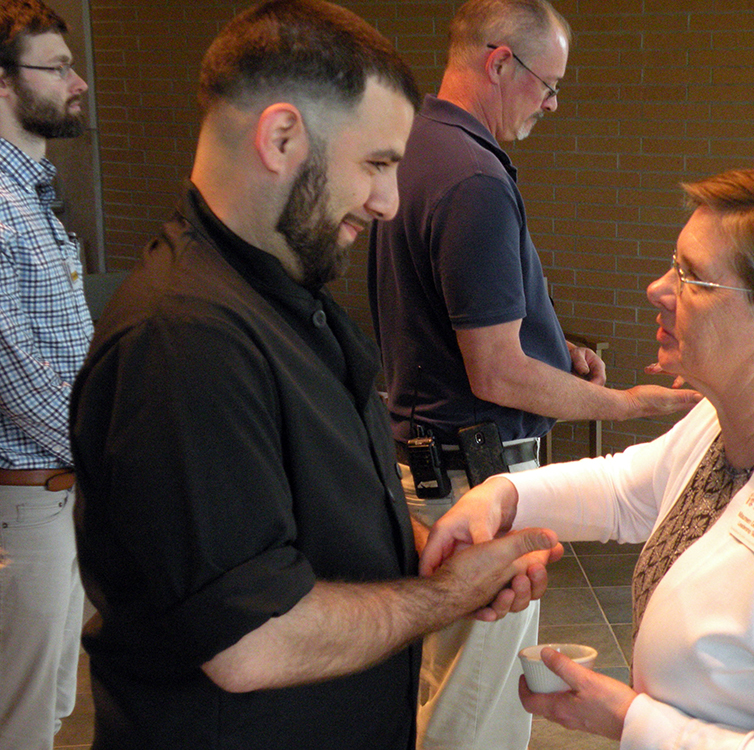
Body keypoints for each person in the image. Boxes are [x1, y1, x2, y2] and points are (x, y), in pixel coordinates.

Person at [69, 2, 562, 749]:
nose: (389, 203)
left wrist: (421, 546)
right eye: (376, 164)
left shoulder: (284, 301)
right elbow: (253, 639)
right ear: (281, 138)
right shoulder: (184, 338)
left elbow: (292, 524)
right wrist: (441, 594)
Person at [423, 165, 754, 749]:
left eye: (692, 278)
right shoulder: (735, 413)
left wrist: (636, 724)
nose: (657, 289)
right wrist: (501, 497)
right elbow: (632, 488)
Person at [368, 2, 698, 748]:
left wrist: (554, 349)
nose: (550, 104)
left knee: (440, 682)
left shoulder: (414, 145)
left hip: (423, 458)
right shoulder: (475, 178)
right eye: (547, 85)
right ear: (499, 62)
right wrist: (622, 402)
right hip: (472, 471)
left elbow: (451, 323)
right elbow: (497, 374)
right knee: (475, 707)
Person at [0, 2, 93, 747]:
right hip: (20, 507)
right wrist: (116, 443)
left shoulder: (31, 194)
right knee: (18, 725)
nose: (79, 81)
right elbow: (15, 375)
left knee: (53, 709)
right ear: (3, 83)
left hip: (58, 496)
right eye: (57, 68)